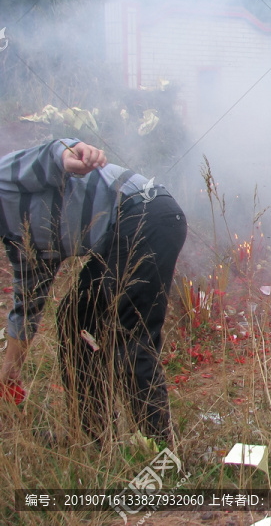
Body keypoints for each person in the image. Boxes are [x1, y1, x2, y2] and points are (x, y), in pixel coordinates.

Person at [0, 139, 187, 449]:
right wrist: (10, 369)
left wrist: (73, 153)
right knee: (76, 318)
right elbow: (26, 307)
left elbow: (50, 155)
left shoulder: (4, 176)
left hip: (146, 212)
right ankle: (93, 435)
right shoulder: (21, 245)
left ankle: (158, 450)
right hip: (125, 231)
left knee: (129, 331)